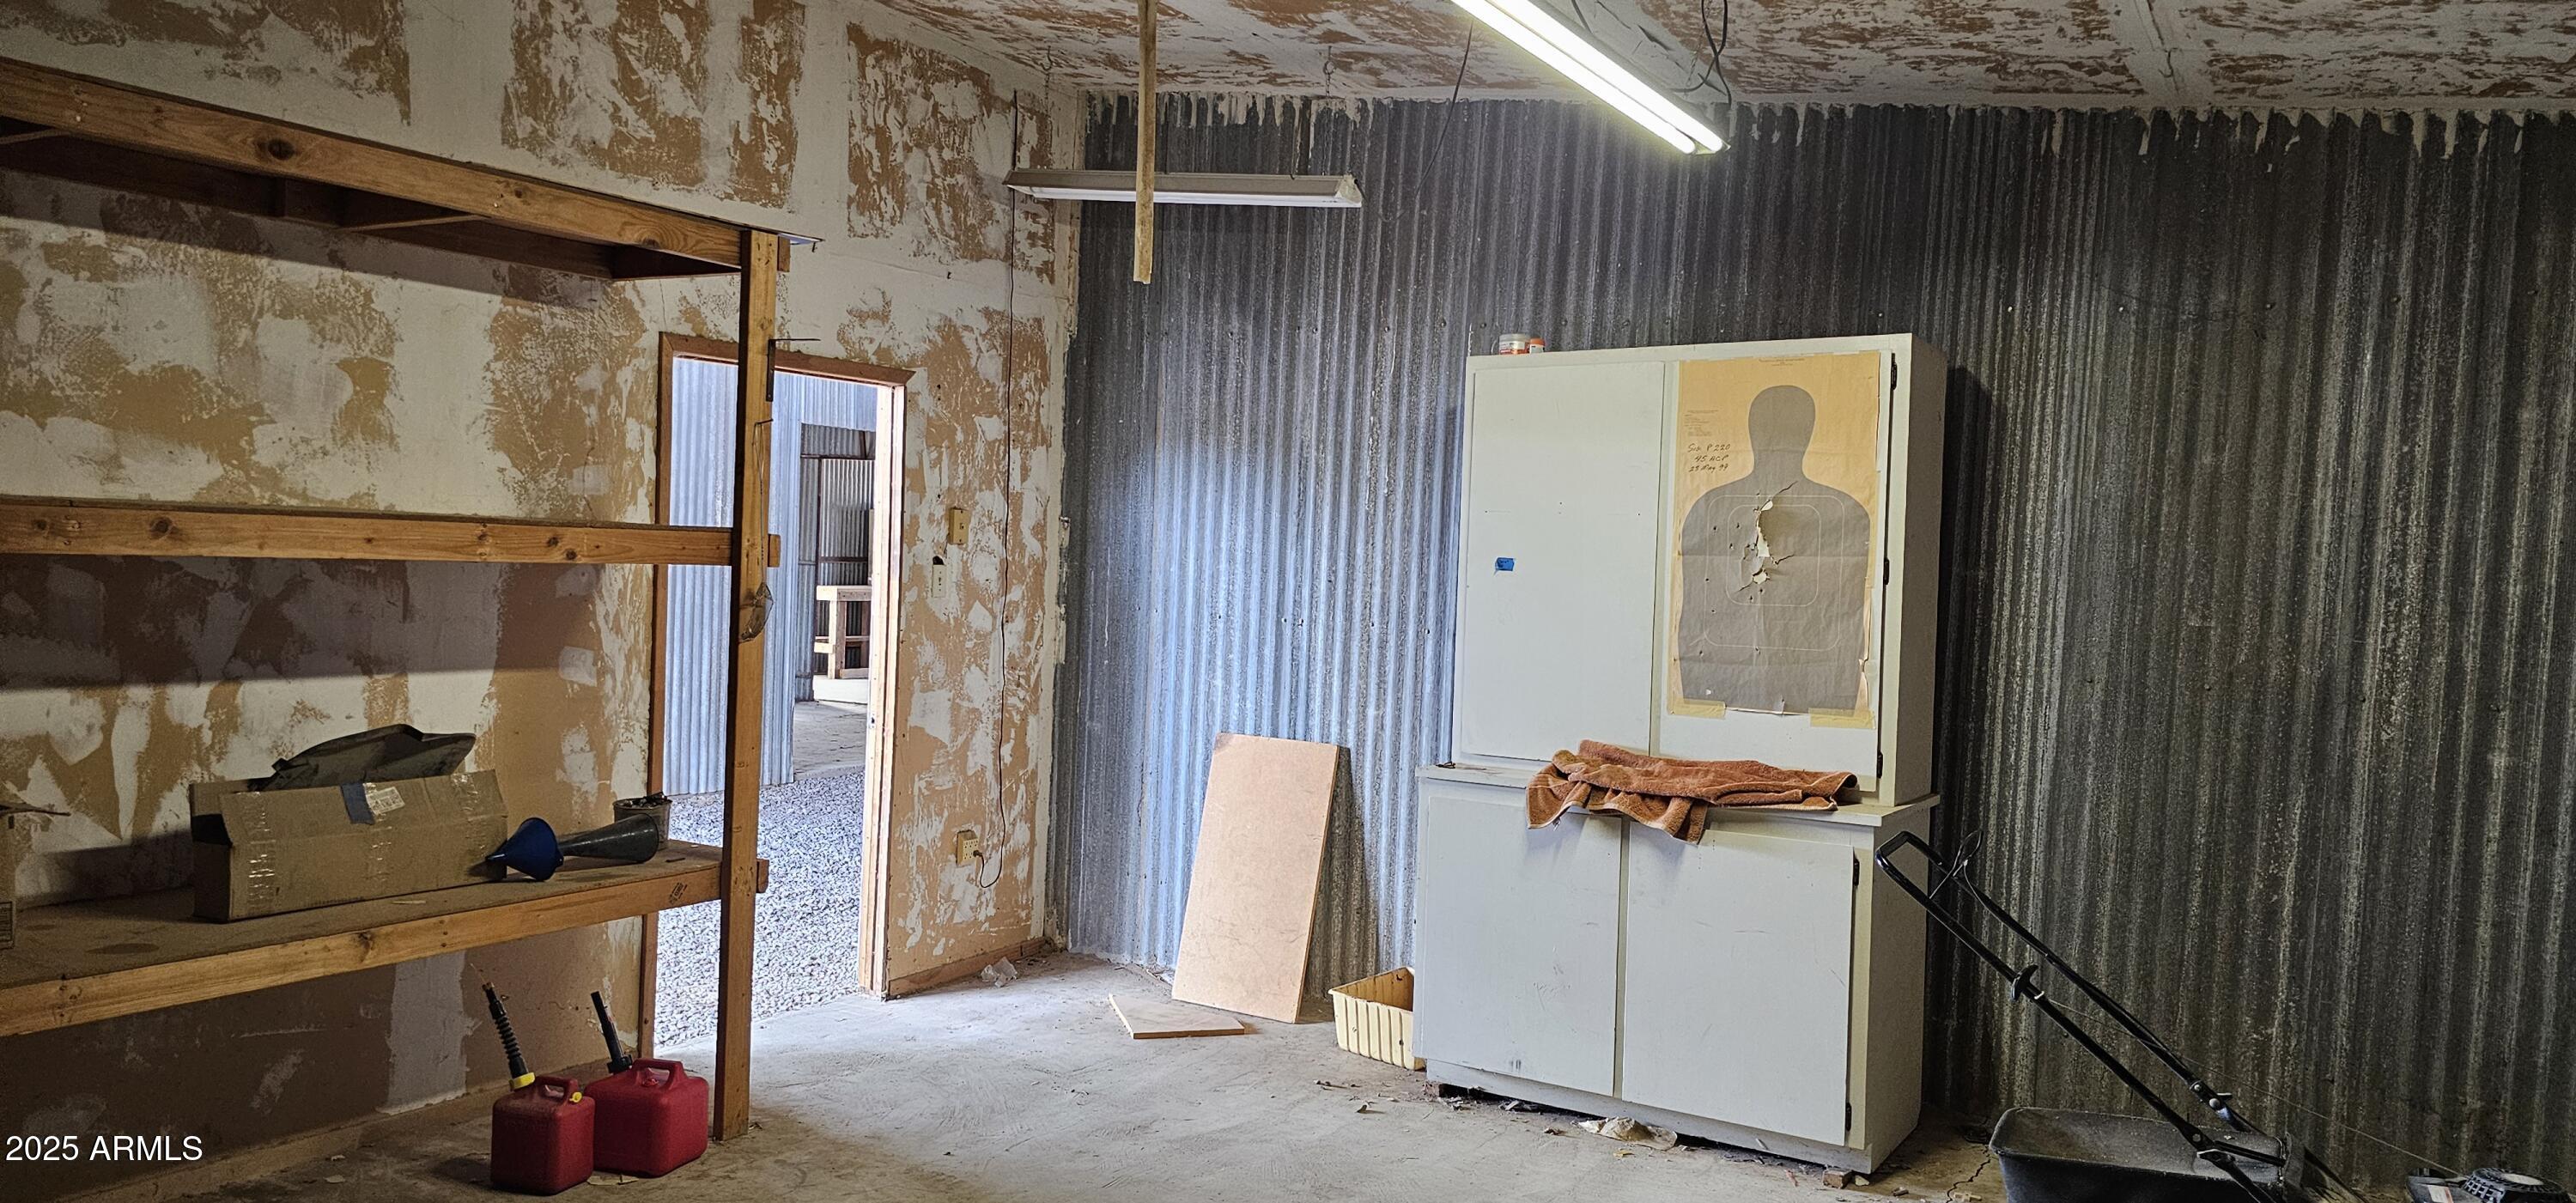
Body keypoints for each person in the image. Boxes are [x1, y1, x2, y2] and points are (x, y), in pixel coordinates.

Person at [1675, 384, 1870, 714]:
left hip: (1806, 685)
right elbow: (1694, 620)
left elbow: (1849, 627)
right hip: (1727, 686)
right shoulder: (1711, 507)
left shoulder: (1841, 511)